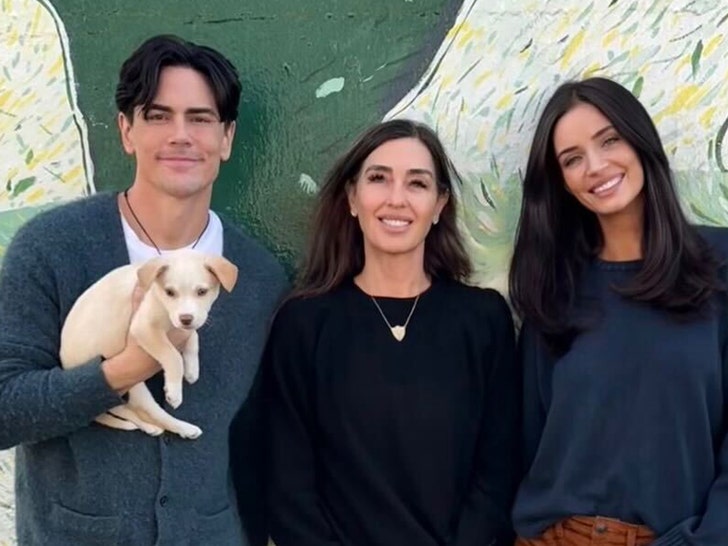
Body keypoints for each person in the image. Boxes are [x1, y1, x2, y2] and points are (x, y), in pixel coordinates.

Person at [0, 34, 287, 545]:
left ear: (226, 138)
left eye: (200, 118)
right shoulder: (51, 248)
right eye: (158, 116)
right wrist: (123, 369)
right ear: (127, 131)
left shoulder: (258, 277)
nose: (181, 135)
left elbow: (263, 442)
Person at [264, 118, 520, 546]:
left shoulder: (484, 321)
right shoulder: (303, 324)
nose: (396, 199)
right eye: (379, 179)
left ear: (439, 205)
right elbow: (288, 486)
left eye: (417, 184)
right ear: (352, 197)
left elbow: (499, 472)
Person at [509, 76, 728, 546]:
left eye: (609, 140)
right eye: (572, 159)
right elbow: (526, 440)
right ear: (562, 182)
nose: (595, 166)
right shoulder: (554, 289)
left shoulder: (720, 267)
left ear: (640, 139)